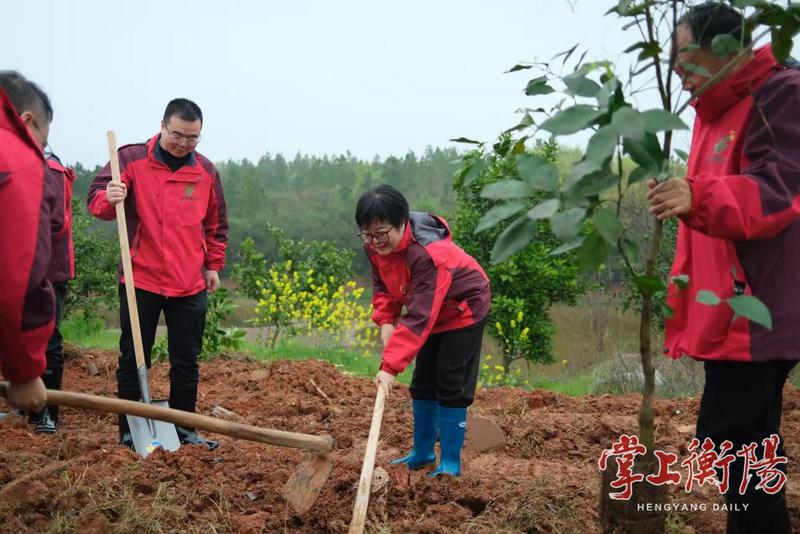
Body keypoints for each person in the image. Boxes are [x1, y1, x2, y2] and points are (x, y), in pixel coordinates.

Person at [648, 3, 799, 532]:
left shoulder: (780, 93)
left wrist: (699, 196)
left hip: (757, 308)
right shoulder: (713, 110)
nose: (676, 69)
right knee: (745, 443)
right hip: (731, 307)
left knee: (734, 441)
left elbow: (779, 190)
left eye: (685, 55)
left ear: (727, 49)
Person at [87, 98, 228, 450]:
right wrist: (109, 195)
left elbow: (216, 224)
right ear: (162, 126)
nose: (183, 143)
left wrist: (213, 265)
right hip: (142, 278)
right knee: (133, 355)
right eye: (177, 135)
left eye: (192, 138)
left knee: (186, 360)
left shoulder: (206, 171)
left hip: (188, 281)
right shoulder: (130, 158)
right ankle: (129, 430)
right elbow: (95, 202)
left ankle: (184, 430)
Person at [357, 184, 491, 477]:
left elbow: (419, 317)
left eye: (381, 234)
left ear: (402, 223)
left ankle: (450, 462)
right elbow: (383, 283)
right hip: (430, 307)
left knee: (451, 382)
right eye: (367, 234)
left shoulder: (427, 254)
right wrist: (387, 319)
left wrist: (390, 367)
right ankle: (423, 452)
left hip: (463, 308)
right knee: (423, 382)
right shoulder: (376, 247)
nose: (374, 241)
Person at [0, 71, 56, 413]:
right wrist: (24, 371)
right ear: (26, 120)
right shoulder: (17, 162)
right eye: (43, 144)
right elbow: (18, 280)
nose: (40, 152)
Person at [28, 153, 76, 434]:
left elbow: (54, 221)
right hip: (16, 268)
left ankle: (47, 412)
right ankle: (25, 406)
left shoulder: (51, 170)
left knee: (47, 337)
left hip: (47, 270)